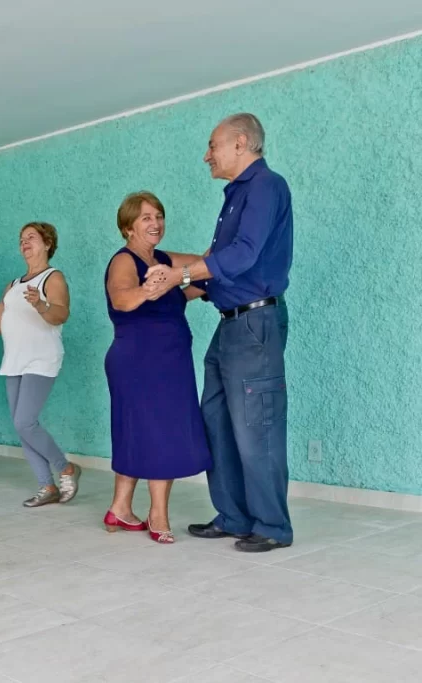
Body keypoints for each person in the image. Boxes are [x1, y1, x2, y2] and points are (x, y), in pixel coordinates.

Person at [145, 113, 294, 553]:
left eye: (213, 146)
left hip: (254, 325)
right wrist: (157, 271)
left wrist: (181, 274)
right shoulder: (236, 196)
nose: (206, 155)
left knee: (256, 427)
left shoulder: (266, 187)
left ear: (241, 143)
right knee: (217, 421)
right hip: (228, 323)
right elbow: (218, 262)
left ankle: (271, 525)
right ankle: (233, 516)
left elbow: (244, 255)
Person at [103, 192, 213, 544]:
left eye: (159, 216)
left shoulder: (165, 259)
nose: (155, 223)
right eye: (146, 217)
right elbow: (121, 298)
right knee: (158, 435)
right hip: (140, 361)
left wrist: (190, 276)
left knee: (139, 432)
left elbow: (205, 266)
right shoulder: (124, 260)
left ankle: (120, 508)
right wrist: (149, 289)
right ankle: (158, 515)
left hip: (170, 361)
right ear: (128, 227)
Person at [0, 222, 81, 508]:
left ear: (48, 243)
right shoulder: (13, 286)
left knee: (24, 421)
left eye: (31, 238)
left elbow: (61, 314)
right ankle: (46, 486)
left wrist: (41, 305)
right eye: (21, 239)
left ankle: (66, 468)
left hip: (42, 358)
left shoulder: (53, 277)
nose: (24, 243)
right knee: (22, 426)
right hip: (14, 361)